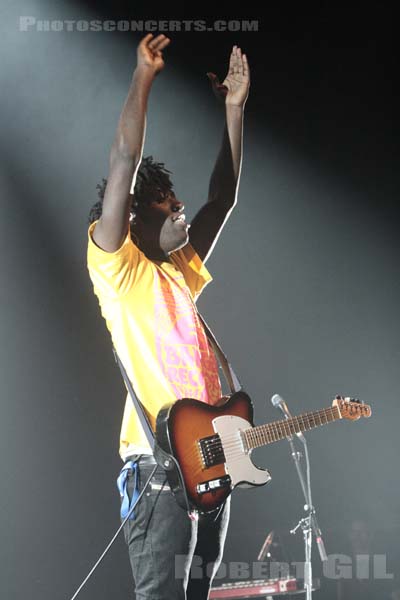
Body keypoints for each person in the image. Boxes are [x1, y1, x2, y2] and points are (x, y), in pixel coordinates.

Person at [87, 33, 249, 600]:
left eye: (178, 201)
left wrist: (233, 111)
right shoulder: (118, 267)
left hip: (207, 462)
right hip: (156, 471)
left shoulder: (179, 269)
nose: (180, 208)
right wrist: (143, 76)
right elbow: (124, 162)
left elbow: (222, 197)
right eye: (166, 204)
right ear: (133, 215)